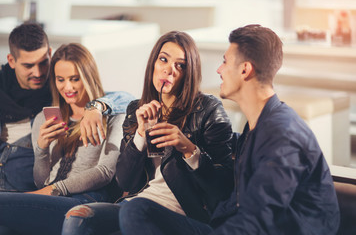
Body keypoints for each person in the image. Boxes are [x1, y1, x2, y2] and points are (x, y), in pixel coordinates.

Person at [114, 25, 341, 235]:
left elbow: (259, 218)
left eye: (225, 61)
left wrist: (190, 151)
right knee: (133, 211)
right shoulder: (256, 128)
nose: (219, 69)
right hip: (230, 224)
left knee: (136, 212)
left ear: (245, 70)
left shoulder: (280, 133)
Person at [61, 31, 234, 235]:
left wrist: (189, 149)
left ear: (189, 73)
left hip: (182, 214)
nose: (169, 70)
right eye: (163, 60)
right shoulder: (137, 109)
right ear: (153, 63)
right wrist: (140, 134)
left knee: (135, 209)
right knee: (77, 216)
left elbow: (223, 188)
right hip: (135, 205)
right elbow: (125, 182)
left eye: (180, 65)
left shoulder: (208, 109)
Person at [0, 43, 129, 235]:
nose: (67, 87)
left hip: (85, 200)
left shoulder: (112, 115)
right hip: (50, 201)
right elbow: (41, 181)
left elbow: (105, 171)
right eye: (60, 79)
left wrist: (52, 190)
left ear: (88, 76)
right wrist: (42, 148)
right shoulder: (44, 119)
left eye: (74, 79)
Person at [0, 22, 132, 192]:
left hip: (25, 185)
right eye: (28, 66)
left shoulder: (58, 82)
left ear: (49, 53)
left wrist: (96, 106)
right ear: (11, 61)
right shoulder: (5, 83)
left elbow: (128, 99)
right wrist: (41, 147)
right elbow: (42, 179)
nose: (39, 73)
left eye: (42, 63)